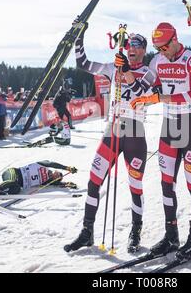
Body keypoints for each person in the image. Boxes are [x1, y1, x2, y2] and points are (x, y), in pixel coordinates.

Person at [64, 24, 152, 254]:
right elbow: (82, 64)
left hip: (134, 131)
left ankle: (135, 230)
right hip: (112, 130)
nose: (130, 47)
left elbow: (138, 91)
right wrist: (78, 38)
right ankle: (87, 232)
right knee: (94, 181)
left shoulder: (149, 71)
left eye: (136, 44)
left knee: (135, 186)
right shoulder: (112, 67)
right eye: (128, 43)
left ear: (143, 50)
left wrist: (125, 72)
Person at [125, 22, 191, 262]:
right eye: (157, 48)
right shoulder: (157, 62)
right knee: (166, 183)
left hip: (190, 124)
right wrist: (126, 70)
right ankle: (172, 235)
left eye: (164, 47)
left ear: (174, 40)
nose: (161, 52)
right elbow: (145, 87)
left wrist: (159, 97)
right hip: (169, 126)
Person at [0, 161, 78, 196]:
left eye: (58, 177)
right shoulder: (44, 165)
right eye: (59, 173)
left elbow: (58, 184)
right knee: (13, 181)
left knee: (16, 190)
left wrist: (67, 184)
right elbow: (53, 164)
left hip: (16, 184)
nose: (58, 174)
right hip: (13, 172)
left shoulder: (46, 182)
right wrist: (67, 168)